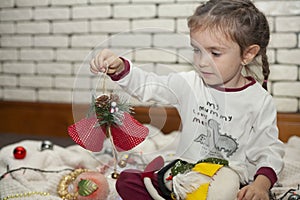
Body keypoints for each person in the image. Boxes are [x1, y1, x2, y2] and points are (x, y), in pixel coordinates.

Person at [90, 0, 284, 199]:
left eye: (215, 53)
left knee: (224, 190)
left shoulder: (259, 100)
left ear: (247, 54)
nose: (201, 62)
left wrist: (260, 185)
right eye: (197, 50)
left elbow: (268, 150)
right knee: (127, 181)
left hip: (224, 179)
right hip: (184, 174)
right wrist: (122, 69)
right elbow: (151, 85)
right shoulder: (190, 83)